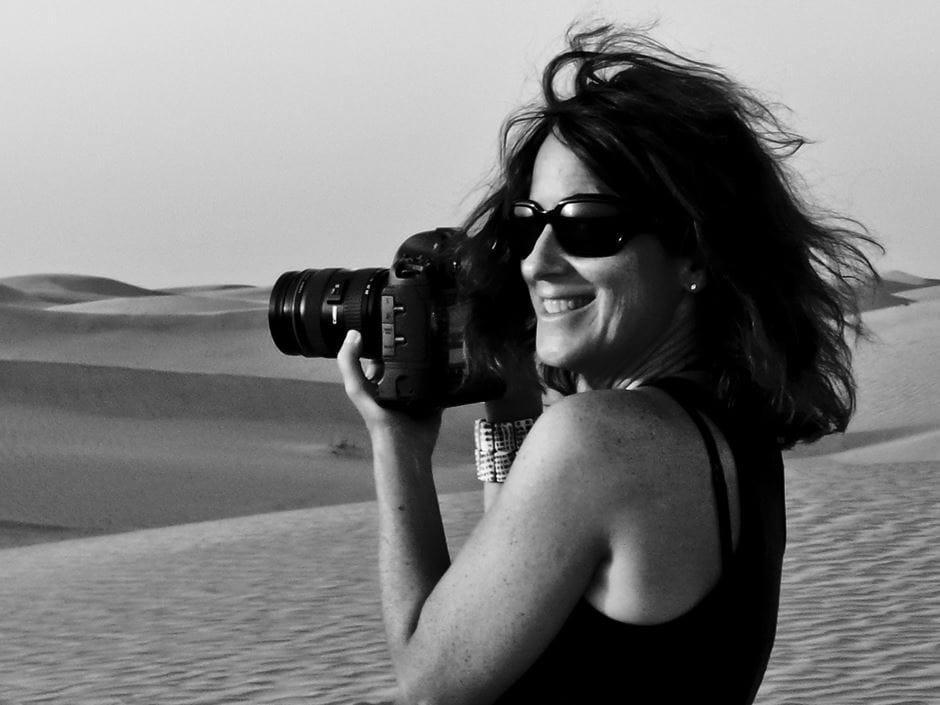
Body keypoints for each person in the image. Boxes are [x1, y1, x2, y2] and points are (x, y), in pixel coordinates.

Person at [336, 24, 880, 705]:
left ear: (693, 254)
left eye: (587, 226)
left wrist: (397, 443)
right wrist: (509, 403)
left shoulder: (600, 440)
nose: (537, 260)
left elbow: (431, 680)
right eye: (530, 221)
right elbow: (523, 601)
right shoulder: (726, 437)